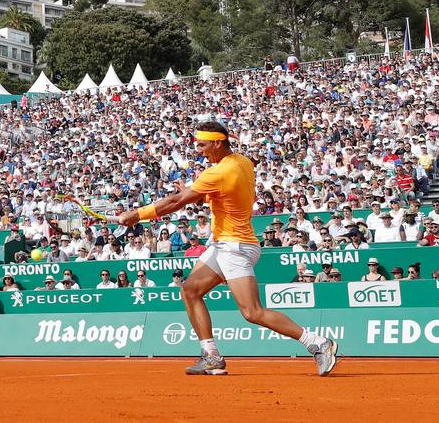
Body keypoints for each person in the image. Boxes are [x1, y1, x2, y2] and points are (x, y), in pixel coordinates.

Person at [116, 120, 338, 376]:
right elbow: (217, 193)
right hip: (225, 245)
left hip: (235, 247)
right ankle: (211, 356)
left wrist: (137, 214)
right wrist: (193, 192)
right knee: (190, 291)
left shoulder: (217, 172)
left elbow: (177, 201)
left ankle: (318, 343)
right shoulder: (242, 162)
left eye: (202, 144)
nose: (197, 149)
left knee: (252, 312)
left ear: (217, 142)